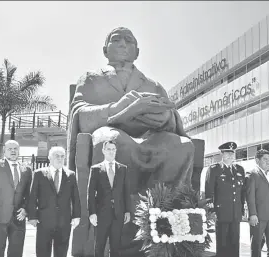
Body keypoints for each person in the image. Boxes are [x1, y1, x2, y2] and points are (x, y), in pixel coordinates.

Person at [67, 26, 195, 206]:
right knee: (112, 140)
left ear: (137, 52)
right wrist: (120, 109)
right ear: (105, 50)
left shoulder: (153, 85)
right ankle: (116, 208)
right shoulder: (91, 79)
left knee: (182, 146)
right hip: (110, 133)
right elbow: (80, 115)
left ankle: (164, 209)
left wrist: (166, 118)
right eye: (116, 39)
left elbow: (171, 113)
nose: (122, 44)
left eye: (129, 40)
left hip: (150, 138)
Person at [28, 147, 81, 257]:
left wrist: (77, 216)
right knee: (43, 254)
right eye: (57, 155)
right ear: (50, 158)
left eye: (62, 156)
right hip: (44, 222)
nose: (60, 158)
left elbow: (75, 198)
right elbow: (33, 196)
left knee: (61, 254)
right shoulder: (39, 174)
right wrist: (32, 216)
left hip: (64, 223)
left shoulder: (70, 175)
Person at [87, 140, 131, 257]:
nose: (111, 152)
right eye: (109, 149)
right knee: (99, 246)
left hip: (118, 214)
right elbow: (90, 193)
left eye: (114, 149)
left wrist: (127, 211)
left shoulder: (122, 169)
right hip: (101, 214)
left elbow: (126, 191)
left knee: (115, 247)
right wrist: (92, 213)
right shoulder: (96, 169)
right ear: (104, 151)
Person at [205, 142, 246, 257]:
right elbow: (209, 194)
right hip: (221, 213)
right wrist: (212, 211)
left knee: (234, 244)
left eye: (232, 153)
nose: (230, 155)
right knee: (223, 244)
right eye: (227, 153)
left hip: (235, 214)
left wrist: (242, 210)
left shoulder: (239, 169)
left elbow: (242, 193)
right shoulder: (214, 169)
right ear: (222, 154)